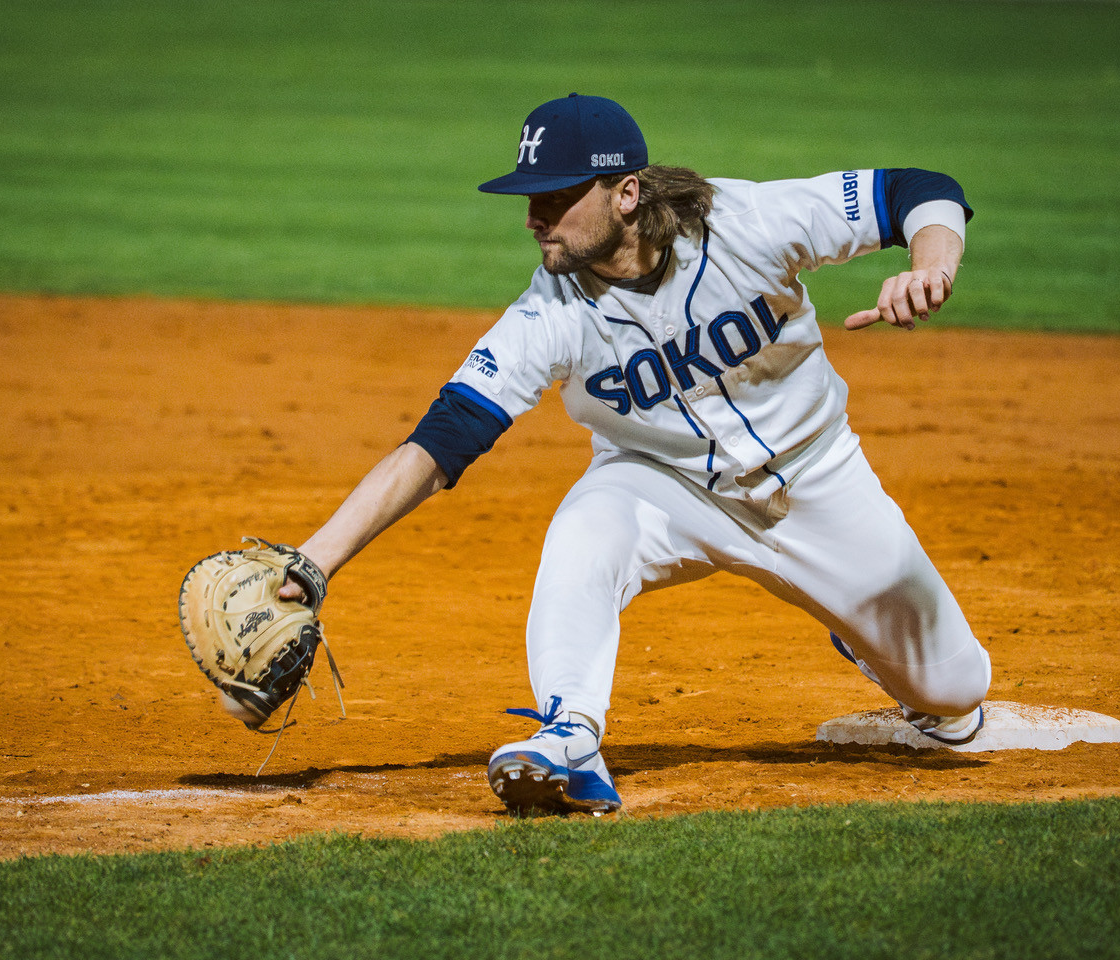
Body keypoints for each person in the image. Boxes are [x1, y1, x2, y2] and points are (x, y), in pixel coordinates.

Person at [280, 93, 992, 815]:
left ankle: (862, 632)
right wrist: (313, 563)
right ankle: (570, 738)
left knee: (955, 693)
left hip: (818, 476)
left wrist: (931, 267)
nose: (533, 219)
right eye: (529, 199)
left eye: (555, 198)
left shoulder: (747, 223)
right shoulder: (548, 311)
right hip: (662, 487)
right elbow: (438, 445)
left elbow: (917, 189)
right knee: (586, 528)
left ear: (626, 194)